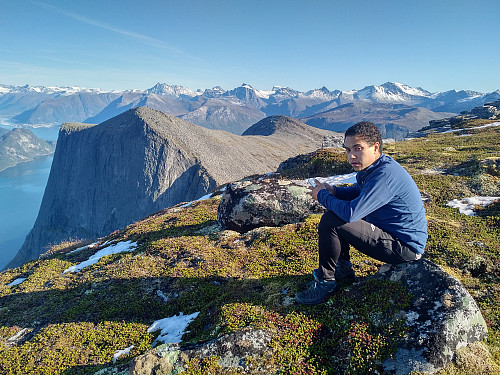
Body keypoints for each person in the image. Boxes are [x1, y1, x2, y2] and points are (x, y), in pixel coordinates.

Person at [295, 121, 427, 305]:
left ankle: (326, 282)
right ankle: (343, 272)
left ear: (375, 147)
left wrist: (323, 196)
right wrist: (335, 191)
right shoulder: (376, 167)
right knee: (335, 217)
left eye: (358, 148)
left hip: (404, 249)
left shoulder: (385, 175)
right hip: (394, 236)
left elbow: (351, 214)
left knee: (332, 220)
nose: (352, 156)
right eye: (348, 150)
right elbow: (359, 191)